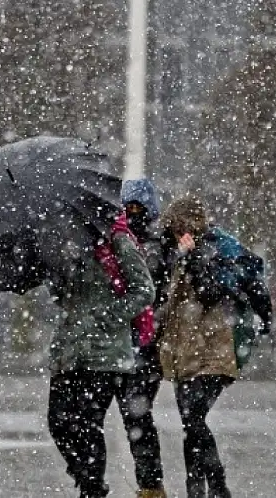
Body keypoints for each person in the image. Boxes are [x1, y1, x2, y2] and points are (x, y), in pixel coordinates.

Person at [156, 195, 272, 498]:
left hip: (216, 350)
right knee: (190, 424)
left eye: (177, 228)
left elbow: (211, 292)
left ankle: (217, 487)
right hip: (184, 351)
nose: (174, 235)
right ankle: (197, 490)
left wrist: (193, 259)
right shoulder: (174, 253)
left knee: (194, 419)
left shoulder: (216, 249)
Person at [46, 201, 156, 498]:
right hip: (69, 349)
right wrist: (58, 273)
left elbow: (144, 290)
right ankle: (89, 481)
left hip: (104, 353)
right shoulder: (66, 243)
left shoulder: (117, 240)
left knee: (88, 424)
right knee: (58, 422)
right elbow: (62, 296)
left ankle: (92, 488)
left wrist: (110, 317)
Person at [118, 179, 167, 498]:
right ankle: (149, 483)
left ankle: (150, 484)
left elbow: (154, 291)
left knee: (136, 414)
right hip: (126, 341)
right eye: (128, 207)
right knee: (134, 414)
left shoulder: (158, 245)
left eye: (138, 207)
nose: (133, 213)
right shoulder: (122, 241)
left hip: (145, 342)